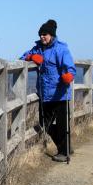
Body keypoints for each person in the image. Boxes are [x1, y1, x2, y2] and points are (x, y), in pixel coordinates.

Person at [21, 19, 76, 162]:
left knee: (63, 125)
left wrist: (68, 76)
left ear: (51, 35)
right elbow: (21, 57)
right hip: (45, 94)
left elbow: (70, 67)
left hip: (60, 93)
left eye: (45, 34)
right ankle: (66, 146)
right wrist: (31, 57)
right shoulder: (37, 48)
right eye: (40, 34)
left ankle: (64, 152)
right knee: (45, 123)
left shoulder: (61, 49)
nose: (42, 37)